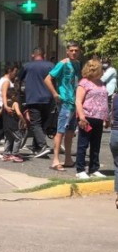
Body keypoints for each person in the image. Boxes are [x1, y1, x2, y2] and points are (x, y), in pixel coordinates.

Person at [45, 41, 82, 171]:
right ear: (67, 51)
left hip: (74, 102)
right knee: (60, 130)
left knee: (70, 132)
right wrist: (55, 93)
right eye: (71, 50)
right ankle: (55, 160)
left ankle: (67, 158)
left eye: (76, 50)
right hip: (65, 102)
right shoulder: (62, 63)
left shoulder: (77, 64)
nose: (74, 52)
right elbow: (48, 79)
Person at [18, 47, 55, 158]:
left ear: (33, 55)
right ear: (44, 55)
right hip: (48, 98)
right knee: (42, 123)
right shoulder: (50, 66)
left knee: (35, 123)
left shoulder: (27, 66)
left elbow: (19, 79)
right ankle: (37, 146)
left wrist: (20, 94)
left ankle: (42, 145)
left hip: (33, 98)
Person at [75, 59, 109, 179]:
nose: (103, 71)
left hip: (99, 118)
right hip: (87, 117)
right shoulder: (84, 83)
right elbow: (78, 101)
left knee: (96, 145)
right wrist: (81, 117)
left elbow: (104, 100)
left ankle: (94, 168)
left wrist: (107, 117)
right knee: (83, 144)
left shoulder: (101, 83)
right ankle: (80, 169)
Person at [2, 88, 27, 163]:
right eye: (16, 95)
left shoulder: (5, 104)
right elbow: (19, 113)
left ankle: (6, 154)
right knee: (18, 138)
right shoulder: (15, 103)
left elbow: (0, 113)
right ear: (13, 96)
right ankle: (15, 154)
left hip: (6, 125)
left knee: (9, 139)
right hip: (13, 125)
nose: (17, 97)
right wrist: (24, 121)